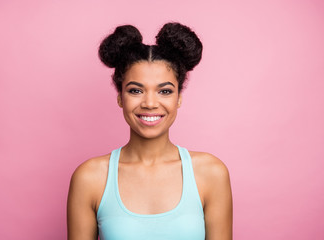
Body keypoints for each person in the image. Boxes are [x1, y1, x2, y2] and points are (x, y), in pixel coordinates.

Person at [67, 22, 232, 240]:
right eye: (136, 90)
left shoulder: (211, 173)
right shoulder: (90, 178)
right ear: (120, 97)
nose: (150, 103)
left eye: (164, 91)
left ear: (179, 98)